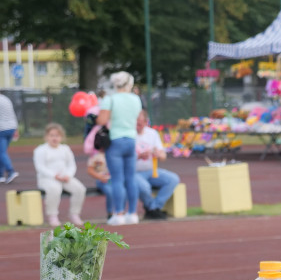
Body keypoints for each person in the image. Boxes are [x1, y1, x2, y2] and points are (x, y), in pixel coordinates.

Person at [96, 71, 143, 225]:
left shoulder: (110, 99)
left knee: (117, 179)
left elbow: (102, 120)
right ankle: (133, 213)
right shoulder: (136, 99)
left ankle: (119, 213)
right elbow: (136, 118)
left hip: (115, 140)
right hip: (131, 139)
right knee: (131, 178)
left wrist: (96, 116)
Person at [33, 123, 85, 227]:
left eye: (57, 135)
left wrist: (68, 175)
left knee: (80, 189)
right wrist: (54, 176)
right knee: (54, 189)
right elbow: (40, 167)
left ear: (61, 137)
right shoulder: (40, 150)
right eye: (51, 135)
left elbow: (71, 165)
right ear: (46, 136)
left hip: (64, 178)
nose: (54, 138)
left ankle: (74, 214)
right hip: (47, 179)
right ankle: (52, 215)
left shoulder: (65, 149)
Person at [134, 110, 179, 220]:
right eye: (136, 122)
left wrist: (158, 154)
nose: (138, 125)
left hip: (151, 170)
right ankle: (152, 209)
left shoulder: (152, 133)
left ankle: (154, 207)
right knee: (144, 187)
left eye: (140, 122)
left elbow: (163, 156)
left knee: (173, 179)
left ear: (145, 122)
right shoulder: (128, 135)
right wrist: (138, 156)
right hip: (134, 172)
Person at [0, 91, 19, 183]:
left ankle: (11, 171)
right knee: (2, 152)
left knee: (1, 152)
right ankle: (1, 175)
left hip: (2, 129)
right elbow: (13, 114)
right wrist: (16, 128)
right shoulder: (6, 99)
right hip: (11, 127)